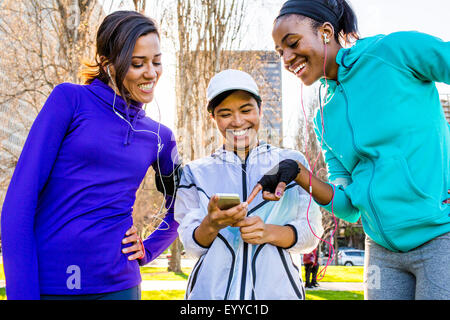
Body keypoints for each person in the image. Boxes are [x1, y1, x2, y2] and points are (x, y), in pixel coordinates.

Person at [247, 0, 450, 300]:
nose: (287, 59)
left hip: (439, 236)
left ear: (326, 32)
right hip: (382, 250)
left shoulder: (393, 52)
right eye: (280, 53)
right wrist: (301, 175)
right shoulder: (323, 118)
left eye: (292, 43)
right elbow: (348, 206)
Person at [1, 11, 180, 300]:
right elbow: (18, 204)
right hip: (54, 285)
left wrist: (149, 248)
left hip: (120, 287)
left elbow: (182, 203)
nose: (151, 73)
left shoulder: (160, 137)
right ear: (108, 65)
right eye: (138, 63)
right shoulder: (69, 101)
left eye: (156, 62)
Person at [174, 69, 324, 300]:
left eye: (246, 110)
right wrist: (211, 224)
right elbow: (192, 245)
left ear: (260, 110)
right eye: (225, 113)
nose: (237, 121)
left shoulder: (291, 165)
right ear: (213, 117)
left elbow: (310, 235)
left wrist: (267, 232)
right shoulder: (195, 172)